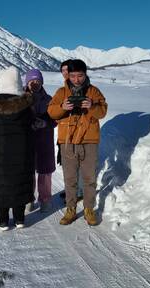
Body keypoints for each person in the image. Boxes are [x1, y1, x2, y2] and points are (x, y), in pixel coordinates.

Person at [47, 59, 107, 226]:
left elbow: (102, 112)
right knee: (70, 179)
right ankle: (71, 209)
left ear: (85, 74)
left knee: (89, 178)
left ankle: (88, 209)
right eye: (72, 76)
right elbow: (51, 112)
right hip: (68, 141)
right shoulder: (61, 92)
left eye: (80, 75)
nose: (76, 79)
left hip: (89, 140)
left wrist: (92, 106)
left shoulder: (94, 91)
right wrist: (62, 108)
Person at [0, 66, 35, 230]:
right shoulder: (25, 104)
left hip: (1, 152)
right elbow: (30, 125)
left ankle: (2, 221)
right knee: (20, 181)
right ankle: (19, 220)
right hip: (22, 152)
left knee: (1, 184)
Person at [24, 69, 56, 213]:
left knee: (45, 173)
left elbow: (55, 118)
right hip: (26, 140)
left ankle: (45, 200)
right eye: (32, 81)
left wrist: (45, 123)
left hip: (44, 140)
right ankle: (28, 199)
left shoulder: (49, 100)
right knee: (27, 171)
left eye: (38, 81)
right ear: (27, 82)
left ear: (42, 82)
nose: (35, 83)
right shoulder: (20, 98)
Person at [57, 59, 84, 204]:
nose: (65, 73)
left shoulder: (80, 88)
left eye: (68, 70)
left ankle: (78, 192)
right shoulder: (64, 88)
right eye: (63, 70)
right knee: (67, 164)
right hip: (65, 132)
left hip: (77, 132)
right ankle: (71, 189)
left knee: (77, 164)